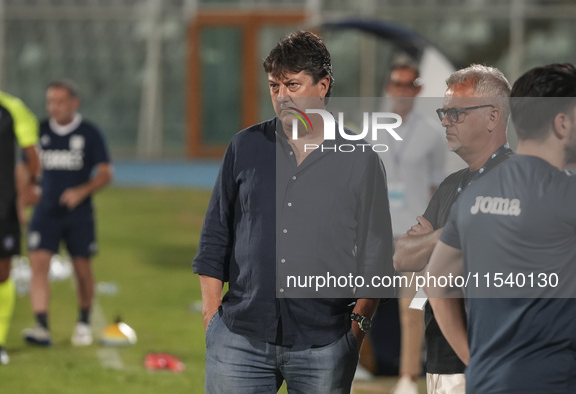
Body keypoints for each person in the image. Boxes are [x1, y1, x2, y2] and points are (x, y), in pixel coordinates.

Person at [192, 31, 394, 394]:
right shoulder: (245, 146)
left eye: (293, 85)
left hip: (326, 341)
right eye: (274, 86)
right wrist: (211, 317)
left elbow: (376, 252)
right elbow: (215, 235)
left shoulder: (361, 159)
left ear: (323, 85)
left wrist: (356, 328)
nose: (282, 96)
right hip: (239, 338)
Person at [427, 63, 576, 394]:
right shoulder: (565, 194)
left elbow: (436, 283)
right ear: (562, 123)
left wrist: (475, 360)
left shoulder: (473, 194)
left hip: (486, 381)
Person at [393, 64, 512, 394]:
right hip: (441, 364)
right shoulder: (450, 185)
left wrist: (431, 240)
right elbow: (403, 256)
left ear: (492, 116)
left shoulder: (518, 180)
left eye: (456, 113)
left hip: (493, 363)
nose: (445, 121)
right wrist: (454, 231)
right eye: (443, 112)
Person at [21, 80, 112, 347]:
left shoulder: (89, 133)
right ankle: (41, 326)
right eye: (50, 101)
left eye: (60, 101)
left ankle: (83, 322)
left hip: (78, 215)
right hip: (44, 212)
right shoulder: (38, 130)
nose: (54, 107)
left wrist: (80, 192)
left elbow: (105, 174)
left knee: (82, 270)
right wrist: (25, 194)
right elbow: (24, 168)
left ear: (74, 102)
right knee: (38, 266)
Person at [378, 59, 447, 394]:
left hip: (412, 233)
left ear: (418, 89)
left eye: (410, 84)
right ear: (389, 87)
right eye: (397, 83)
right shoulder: (369, 130)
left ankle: (408, 377)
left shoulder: (432, 134)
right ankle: (352, 366)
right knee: (354, 300)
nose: (403, 90)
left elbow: (436, 188)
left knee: (410, 307)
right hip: (375, 230)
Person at [0, 50, 40, 365]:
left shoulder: (12, 108)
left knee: (1, 270)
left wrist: (32, 185)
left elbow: (31, 153)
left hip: (1, 204)